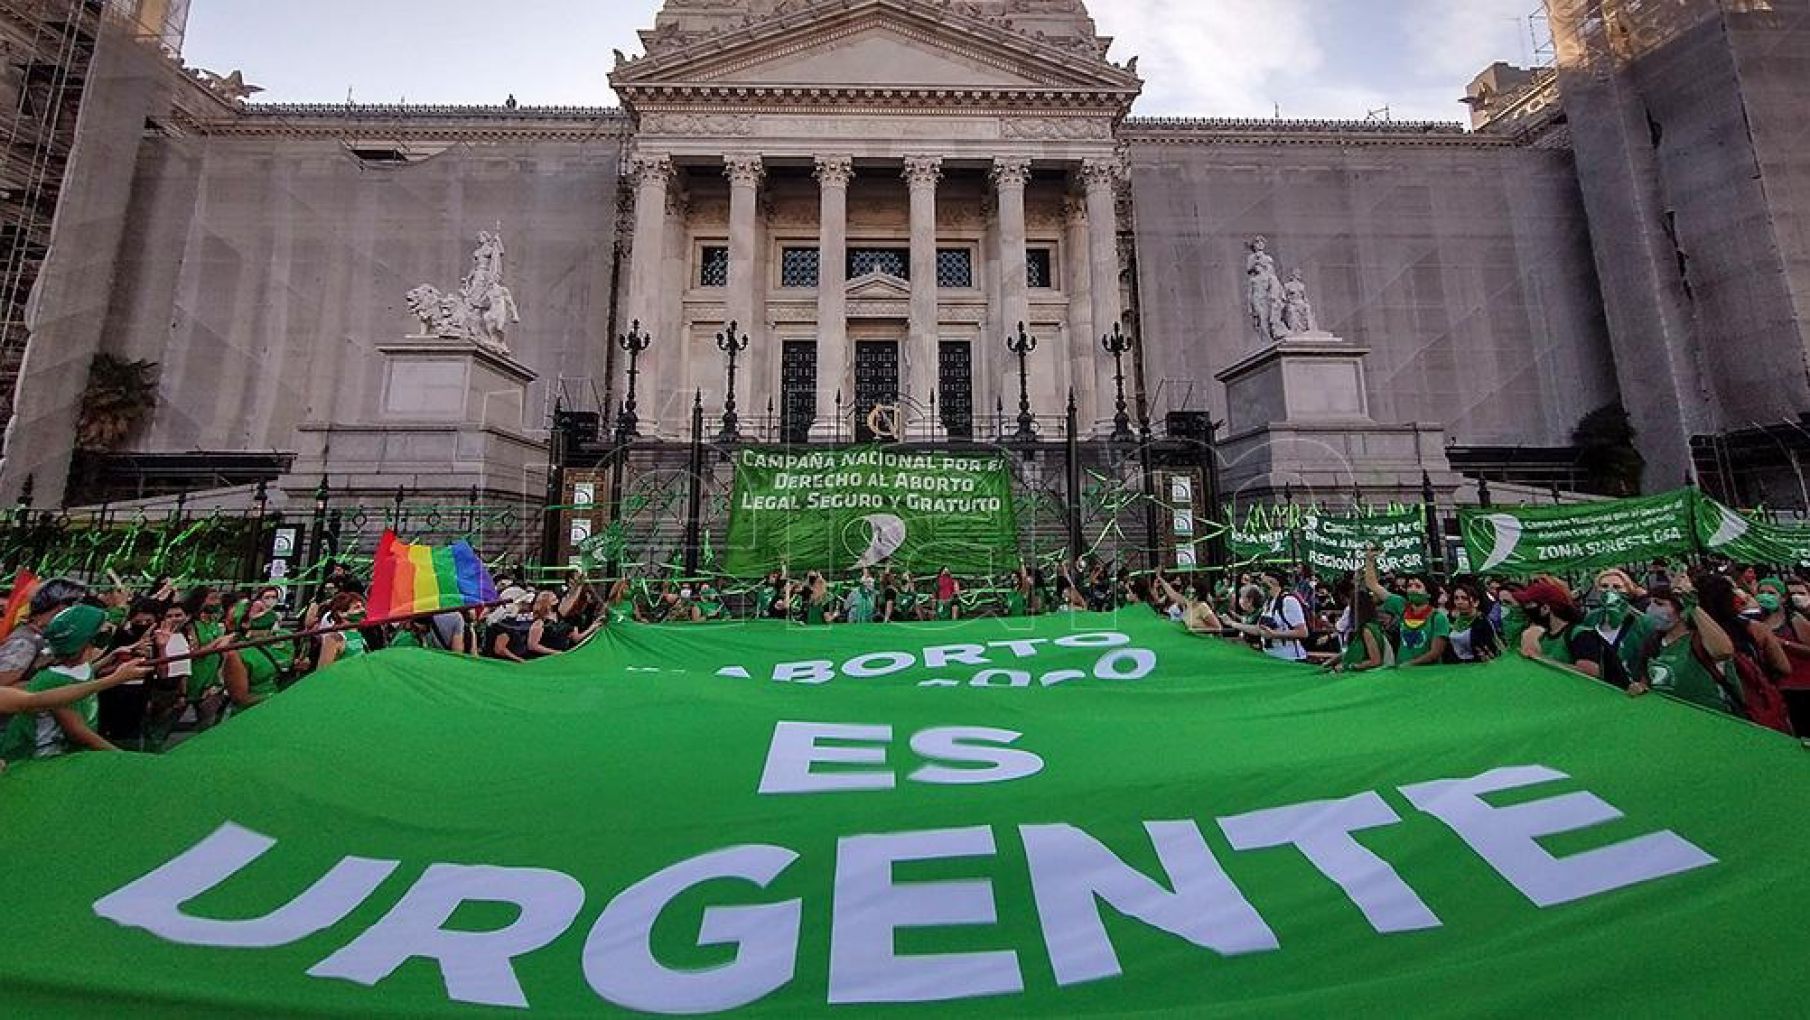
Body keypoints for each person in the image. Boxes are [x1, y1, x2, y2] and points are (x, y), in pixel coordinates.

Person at [0, 605, 150, 763]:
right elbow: (77, 731)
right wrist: (125, 758)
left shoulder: (76, 668)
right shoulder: (53, 680)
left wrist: (111, 657)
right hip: (42, 762)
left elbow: (81, 677)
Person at [1629, 585, 1736, 714]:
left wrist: (1693, 607)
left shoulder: (1700, 640)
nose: (1651, 609)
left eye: (1659, 604)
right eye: (1650, 603)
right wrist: (1639, 688)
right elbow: (1646, 682)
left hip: (1712, 719)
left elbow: (1724, 651)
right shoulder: (1653, 644)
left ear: (1681, 610)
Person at [1576, 568, 1652, 688]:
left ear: (1628, 591)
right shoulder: (1590, 618)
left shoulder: (1642, 622)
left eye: (1617, 587)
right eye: (1604, 586)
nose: (1610, 591)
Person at [1227, 570, 1309, 662]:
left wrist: (1275, 634)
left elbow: (1303, 632)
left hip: (1290, 658)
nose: (1260, 586)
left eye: (1263, 582)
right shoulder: (1268, 603)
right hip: (1270, 656)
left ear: (1273, 582)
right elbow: (1259, 630)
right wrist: (1232, 623)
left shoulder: (1288, 601)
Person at [1330, 589, 1393, 673]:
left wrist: (1349, 666)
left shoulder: (1367, 630)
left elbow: (1375, 661)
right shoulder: (1367, 627)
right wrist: (1332, 661)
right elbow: (1353, 651)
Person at [1443, 582, 1499, 663]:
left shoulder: (1482, 622)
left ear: (1476, 602)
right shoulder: (1452, 620)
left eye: (1464, 598)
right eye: (1456, 598)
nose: (1459, 602)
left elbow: (1490, 650)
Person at [315, 591, 372, 670]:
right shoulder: (334, 638)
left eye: (363, 607)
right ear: (341, 613)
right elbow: (322, 672)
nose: (363, 610)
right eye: (357, 607)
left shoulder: (359, 635)